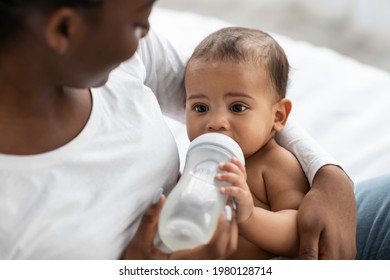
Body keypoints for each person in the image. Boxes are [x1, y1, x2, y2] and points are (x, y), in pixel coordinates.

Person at [0, 0, 387, 260]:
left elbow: (242, 91)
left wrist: (329, 175)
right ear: (64, 29)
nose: (148, 32)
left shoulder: (125, 61)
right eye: (137, 24)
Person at [184, 26, 310, 259]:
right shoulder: (199, 162)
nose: (216, 122)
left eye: (237, 107)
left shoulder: (276, 164)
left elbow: (300, 234)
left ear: (278, 116)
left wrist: (250, 216)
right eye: (200, 108)